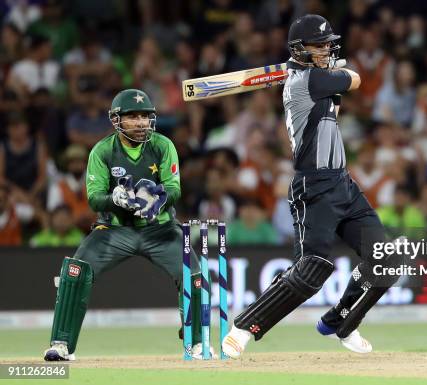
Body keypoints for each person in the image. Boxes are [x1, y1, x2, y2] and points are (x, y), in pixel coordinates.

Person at [222, 14, 399, 358]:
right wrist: (337, 72)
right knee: (312, 269)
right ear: (299, 49)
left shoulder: (315, 79)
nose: (326, 50)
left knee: (386, 260)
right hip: (314, 187)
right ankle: (244, 327)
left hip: (343, 183)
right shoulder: (307, 81)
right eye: (319, 45)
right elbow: (357, 79)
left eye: (328, 44)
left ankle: (340, 321)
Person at [43, 89, 212, 361]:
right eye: (132, 117)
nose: (140, 122)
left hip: (161, 229)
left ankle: (196, 343)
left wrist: (158, 199)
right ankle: (61, 344)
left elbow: (175, 188)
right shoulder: (102, 151)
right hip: (115, 230)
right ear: (116, 119)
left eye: (144, 117)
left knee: (194, 275)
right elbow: (94, 199)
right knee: (75, 272)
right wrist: (115, 199)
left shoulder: (163, 145)